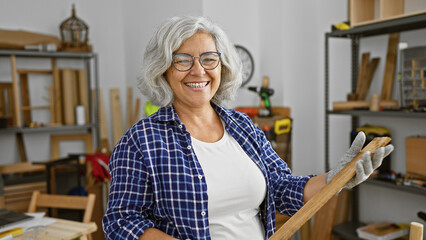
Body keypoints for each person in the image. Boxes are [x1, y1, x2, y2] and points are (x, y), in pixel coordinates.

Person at [102, 16, 393, 240]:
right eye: (182, 60)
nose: (198, 70)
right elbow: (121, 222)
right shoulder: (140, 141)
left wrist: (336, 178)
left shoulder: (243, 126)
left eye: (208, 59)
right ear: (163, 69)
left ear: (222, 66)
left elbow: (281, 188)